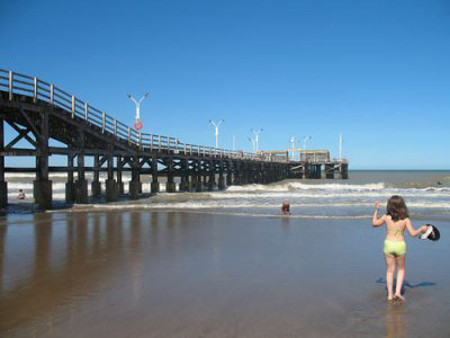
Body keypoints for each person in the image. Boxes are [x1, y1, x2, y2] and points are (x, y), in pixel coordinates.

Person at [372, 195, 428, 301]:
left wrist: (376, 210)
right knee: (401, 269)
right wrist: (421, 228)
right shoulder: (405, 219)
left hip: (388, 244)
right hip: (400, 245)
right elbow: (412, 234)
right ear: (402, 206)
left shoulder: (386, 217)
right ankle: (397, 292)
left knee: (390, 271)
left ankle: (389, 294)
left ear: (389, 206)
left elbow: (374, 224)